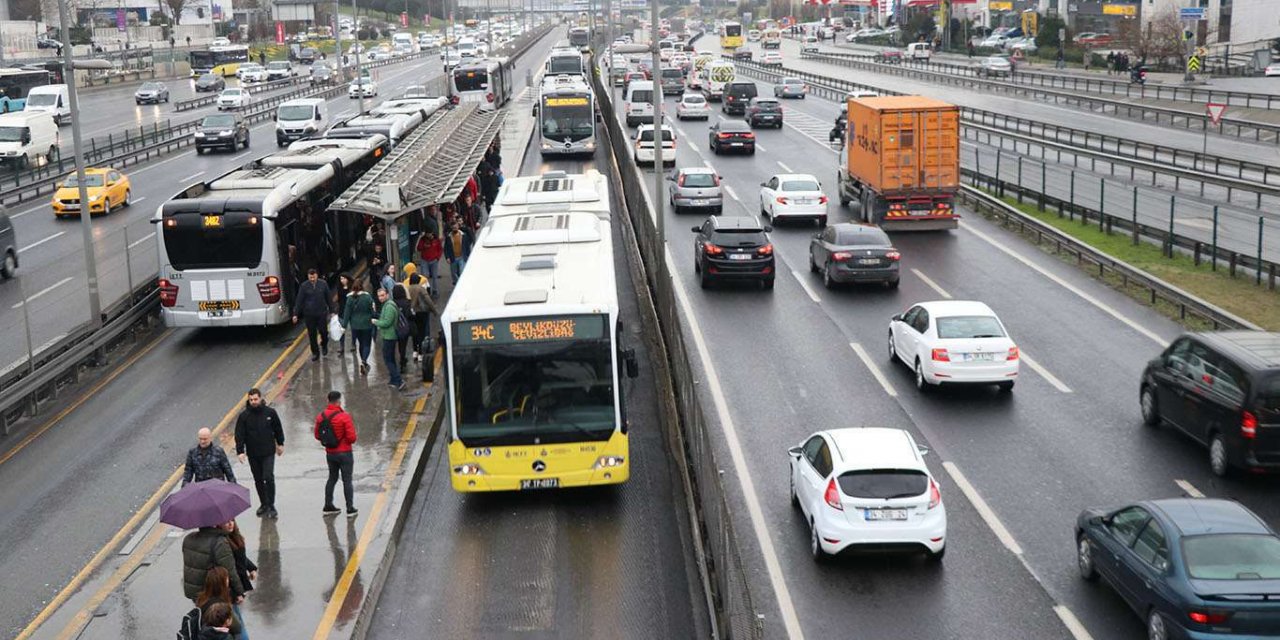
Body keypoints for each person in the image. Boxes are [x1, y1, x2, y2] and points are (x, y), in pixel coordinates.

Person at [233, 388, 284, 518]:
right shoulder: (244, 416)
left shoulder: (270, 413)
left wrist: (280, 443)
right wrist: (240, 451)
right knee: (258, 479)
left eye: (255, 399)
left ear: (260, 398)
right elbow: (239, 434)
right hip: (253, 453)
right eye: (251, 400)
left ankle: (271, 505)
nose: (253, 402)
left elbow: (278, 428)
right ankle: (264, 503)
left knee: (268, 477)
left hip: (268, 451)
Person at [315, 390, 359, 517]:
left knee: (332, 478)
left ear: (327, 400)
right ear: (339, 401)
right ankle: (350, 508)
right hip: (345, 453)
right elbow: (352, 438)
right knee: (347, 480)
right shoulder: (344, 416)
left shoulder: (320, 417)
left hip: (330, 453)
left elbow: (317, 435)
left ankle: (328, 505)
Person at [182, 522, 244, 602]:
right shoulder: (219, 542)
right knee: (228, 613)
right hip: (213, 591)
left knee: (204, 612)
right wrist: (239, 592)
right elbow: (230, 570)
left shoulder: (188, 538)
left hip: (195, 592)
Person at [292, 268, 332, 361]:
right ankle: (315, 353)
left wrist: (332, 310)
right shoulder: (304, 286)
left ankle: (324, 344)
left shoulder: (323, 284)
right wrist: (295, 314)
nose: (312, 279)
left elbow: (329, 298)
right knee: (312, 334)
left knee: (324, 332)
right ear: (308, 276)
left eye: (313, 277)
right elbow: (299, 301)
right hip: (309, 314)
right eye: (310, 277)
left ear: (317, 275)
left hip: (321, 313)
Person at [196, 566, 244, 640]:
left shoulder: (202, 599)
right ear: (222, 582)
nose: (229, 580)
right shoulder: (220, 605)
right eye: (227, 578)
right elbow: (237, 627)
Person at [226, 520, 256, 637]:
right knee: (236, 624)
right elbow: (230, 568)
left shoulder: (235, 537)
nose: (230, 523)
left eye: (232, 520)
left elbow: (241, 557)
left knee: (235, 621)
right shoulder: (222, 542)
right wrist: (238, 592)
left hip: (234, 586)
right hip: (229, 588)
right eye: (226, 521)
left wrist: (251, 568)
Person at [371, 287, 404, 390]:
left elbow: (387, 322)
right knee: (391, 359)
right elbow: (384, 318)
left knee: (388, 359)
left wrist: (376, 322)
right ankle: (393, 380)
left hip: (389, 336)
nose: (380, 298)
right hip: (388, 336)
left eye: (382, 295)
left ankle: (398, 380)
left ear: (387, 295)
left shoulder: (389, 306)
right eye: (379, 296)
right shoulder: (387, 305)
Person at [341, 279, 376, 375]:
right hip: (367, 324)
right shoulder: (367, 297)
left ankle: (363, 361)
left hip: (355, 326)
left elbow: (346, 313)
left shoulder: (350, 298)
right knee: (367, 344)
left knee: (360, 344)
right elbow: (373, 311)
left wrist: (343, 326)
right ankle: (364, 361)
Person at [407, 273, 438, 365]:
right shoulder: (421, 288)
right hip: (421, 313)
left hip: (412, 313)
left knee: (414, 333)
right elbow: (428, 300)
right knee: (421, 332)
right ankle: (420, 353)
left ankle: (415, 351)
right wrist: (434, 311)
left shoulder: (407, 289)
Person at [443, 218, 473, 283]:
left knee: (462, 272)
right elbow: (446, 248)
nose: (455, 229)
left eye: (456, 227)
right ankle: (457, 283)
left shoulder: (463, 235)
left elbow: (467, 246)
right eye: (453, 228)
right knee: (454, 273)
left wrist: (468, 256)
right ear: (451, 228)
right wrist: (447, 257)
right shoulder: (448, 237)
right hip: (453, 258)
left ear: (458, 227)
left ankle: (461, 284)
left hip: (462, 257)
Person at [416, 229, 442, 297]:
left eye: (429, 233)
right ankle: (426, 290)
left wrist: (437, 258)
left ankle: (435, 291)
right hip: (424, 260)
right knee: (424, 276)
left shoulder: (436, 240)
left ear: (432, 233)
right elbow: (418, 248)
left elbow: (440, 249)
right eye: (427, 234)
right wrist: (424, 246)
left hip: (434, 260)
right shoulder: (423, 239)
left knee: (434, 276)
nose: (428, 235)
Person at [392, 284, 413, 370]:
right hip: (404, 327)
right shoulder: (407, 302)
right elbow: (410, 314)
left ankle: (394, 362)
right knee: (403, 345)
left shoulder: (392, 303)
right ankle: (402, 360)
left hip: (394, 327)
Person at [333, 274, 353, 356]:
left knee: (353, 329)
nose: (342, 280)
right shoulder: (339, 288)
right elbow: (337, 299)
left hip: (351, 311)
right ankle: (341, 347)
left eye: (344, 278)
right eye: (341, 279)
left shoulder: (352, 288)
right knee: (341, 329)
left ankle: (353, 344)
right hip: (342, 311)